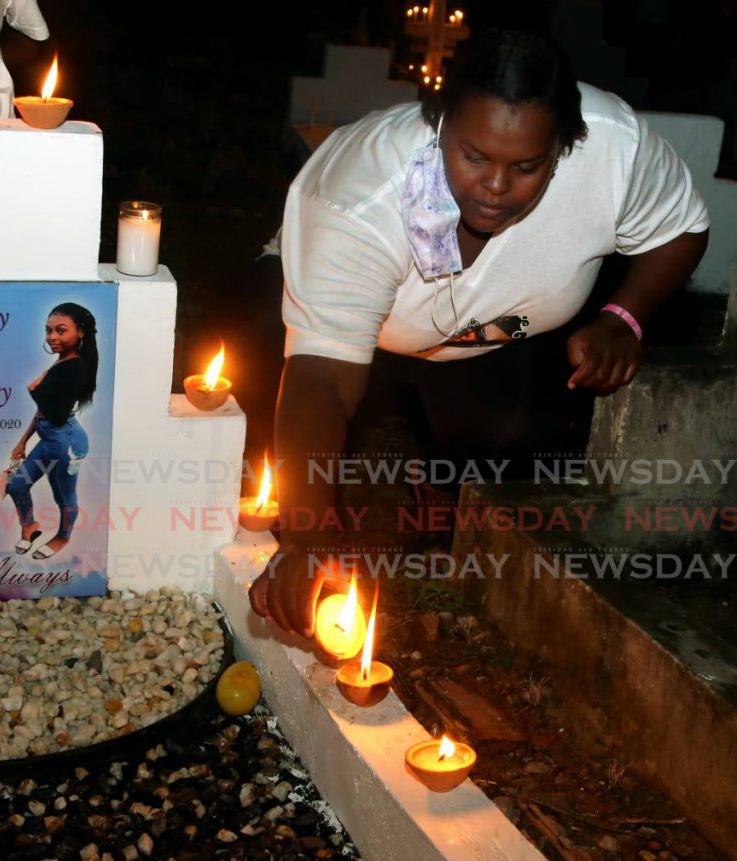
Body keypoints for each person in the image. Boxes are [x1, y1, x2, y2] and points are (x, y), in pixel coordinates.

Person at [249, 29, 709, 638]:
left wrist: (623, 317)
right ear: (439, 122)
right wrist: (305, 535)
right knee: (276, 431)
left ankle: (443, 497)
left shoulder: (613, 149)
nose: (495, 187)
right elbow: (324, 377)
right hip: (357, 326)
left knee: (520, 435)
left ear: (567, 146)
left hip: (501, 328)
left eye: (526, 166)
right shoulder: (355, 201)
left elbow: (683, 228)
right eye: (474, 156)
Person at [7, 303, 98, 561]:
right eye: (48, 331)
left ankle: (62, 537)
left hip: (65, 440)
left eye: (60, 330)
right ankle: (29, 526)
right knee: (17, 485)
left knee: (64, 496)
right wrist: (22, 441)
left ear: (80, 332)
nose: (52, 337)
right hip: (49, 435)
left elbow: (56, 414)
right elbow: (44, 414)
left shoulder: (76, 368)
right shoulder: (63, 362)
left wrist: (34, 390)